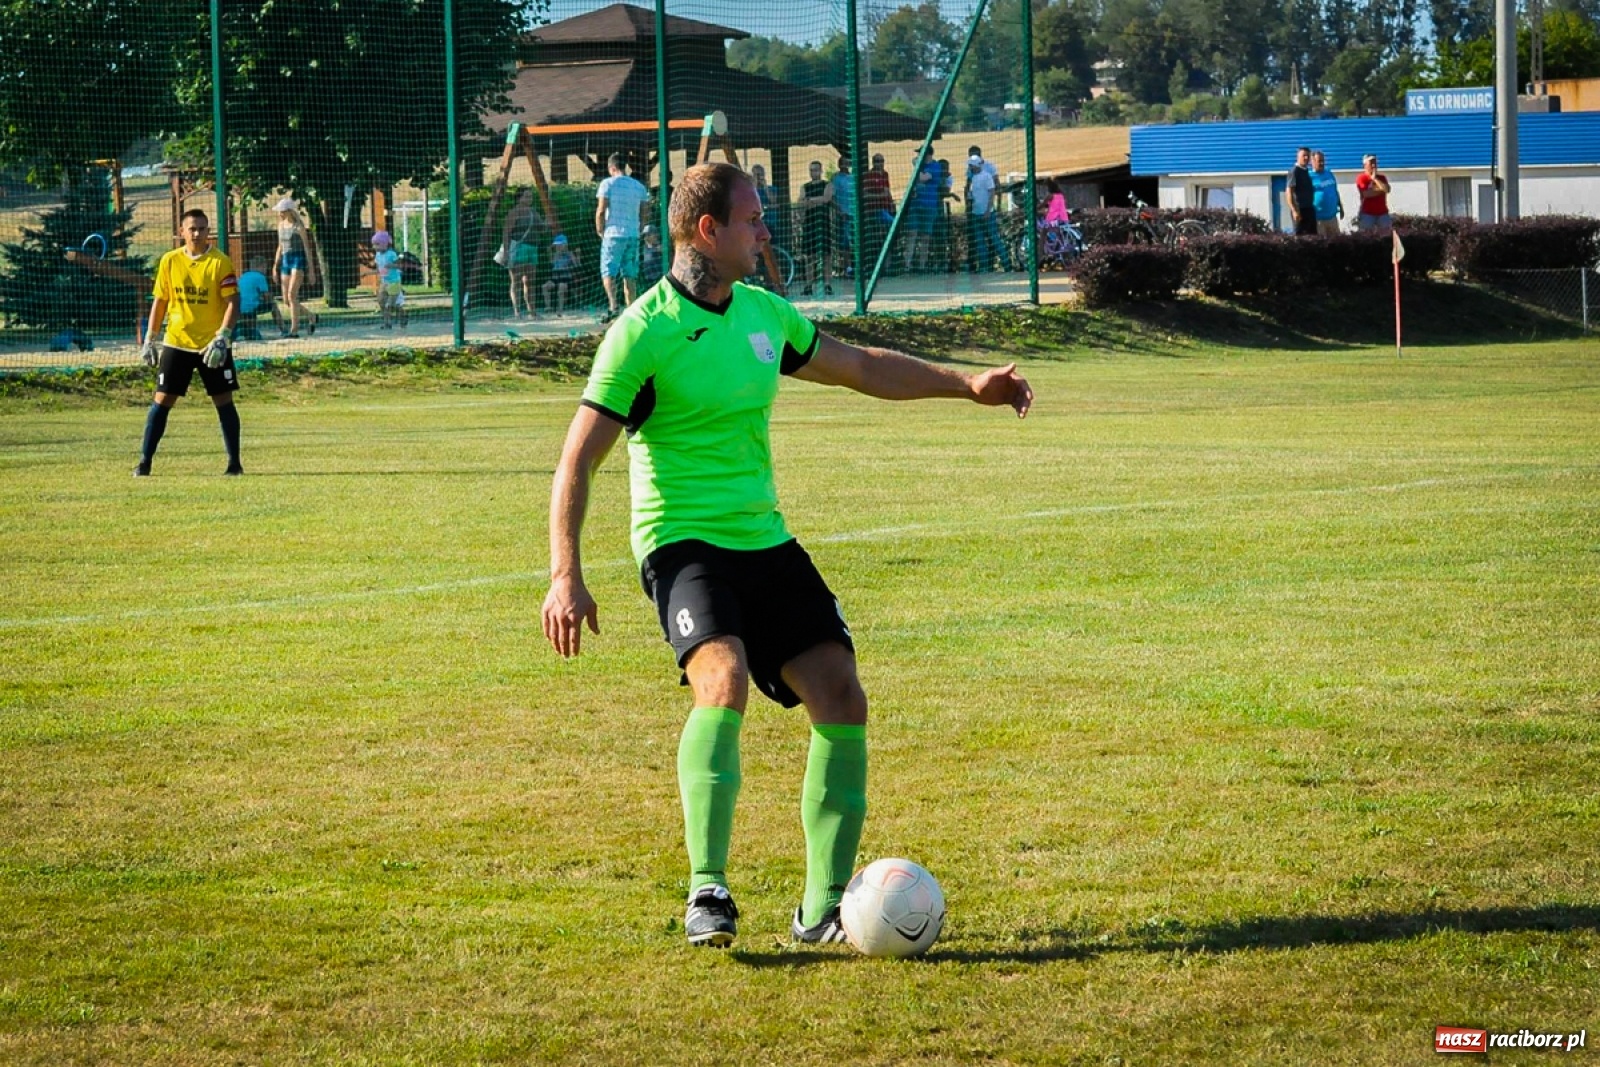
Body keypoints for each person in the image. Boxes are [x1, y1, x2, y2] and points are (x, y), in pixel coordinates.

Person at [539, 161, 1033, 949]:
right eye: (753, 218)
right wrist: (566, 573)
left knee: (842, 692)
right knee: (723, 676)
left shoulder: (764, 313)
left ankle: (824, 908)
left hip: (765, 539)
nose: (766, 230)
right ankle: (709, 886)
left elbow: (862, 367)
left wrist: (966, 383)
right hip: (682, 543)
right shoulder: (644, 332)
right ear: (709, 230)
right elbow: (578, 460)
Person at [133, 208, 243, 477]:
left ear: (208, 232)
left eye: (202, 229)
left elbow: (233, 302)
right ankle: (144, 463)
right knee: (161, 401)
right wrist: (150, 338)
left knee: (223, 401)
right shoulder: (169, 261)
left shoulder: (220, 263)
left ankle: (234, 464)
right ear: (181, 231)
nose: (197, 233)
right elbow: (160, 301)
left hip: (211, 346)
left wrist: (222, 338)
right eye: (191, 228)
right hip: (177, 342)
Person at [595, 153, 649, 320]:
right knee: (629, 273)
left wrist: (600, 230)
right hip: (632, 234)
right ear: (624, 166)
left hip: (613, 233)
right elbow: (645, 213)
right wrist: (639, 229)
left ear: (612, 168)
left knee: (608, 271)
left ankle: (613, 306)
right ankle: (631, 308)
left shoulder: (607, 184)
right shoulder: (639, 187)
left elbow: (601, 210)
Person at [271, 197, 318, 338]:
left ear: (289, 211)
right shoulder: (280, 226)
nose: (280, 214)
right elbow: (280, 246)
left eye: (282, 211)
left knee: (292, 295)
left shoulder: (299, 227)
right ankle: (311, 316)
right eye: (279, 211)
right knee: (286, 300)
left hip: (298, 259)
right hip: (286, 259)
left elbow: (307, 248)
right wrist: (275, 265)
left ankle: (294, 330)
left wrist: (311, 270)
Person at [502, 188, 549, 318]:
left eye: (530, 196)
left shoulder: (534, 212)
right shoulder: (514, 212)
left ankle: (531, 311)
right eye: (526, 196)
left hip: (533, 248)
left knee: (530, 281)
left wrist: (546, 223)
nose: (530, 199)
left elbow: (542, 229)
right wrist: (506, 252)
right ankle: (517, 311)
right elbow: (506, 232)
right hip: (519, 247)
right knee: (516, 280)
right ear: (519, 198)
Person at [798, 160, 834, 297]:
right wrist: (813, 201)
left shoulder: (827, 184)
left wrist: (810, 201)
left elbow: (827, 198)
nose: (814, 172)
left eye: (816, 170)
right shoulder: (805, 186)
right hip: (809, 224)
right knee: (809, 257)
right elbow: (801, 201)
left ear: (821, 170)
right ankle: (808, 285)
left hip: (823, 223)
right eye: (811, 170)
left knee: (826, 255)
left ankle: (827, 285)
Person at [966, 154, 1004, 273]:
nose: (970, 168)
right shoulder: (973, 178)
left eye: (971, 165)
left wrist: (988, 210)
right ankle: (984, 267)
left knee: (994, 239)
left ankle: (1007, 264)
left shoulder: (986, 176)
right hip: (976, 213)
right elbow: (972, 195)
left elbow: (992, 193)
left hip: (987, 213)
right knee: (980, 242)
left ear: (976, 166)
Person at [234, 260, 283, 340]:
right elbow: (267, 296)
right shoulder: (260, 277)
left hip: (239, 308)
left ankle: (244, 331)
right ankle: (283, 329)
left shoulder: (243, 276)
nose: (266, 271)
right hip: (252, 308)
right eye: (265, 268)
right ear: (261, 267)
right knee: (273, 305)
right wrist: (269, 299)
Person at [860, 153, 894, 267]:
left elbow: (887, 191)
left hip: (885, 208)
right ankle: (873, 264)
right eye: (877, 161)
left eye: (882, 161)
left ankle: (888, 264)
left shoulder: (885, 174)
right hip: (874, 210)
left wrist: (891, 202)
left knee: (889, 234)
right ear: (873, 162)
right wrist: (881, 196)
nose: (880, 163)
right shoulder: (869, 175)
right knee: (877, 236)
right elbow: (865, 194)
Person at [372, 230, 406, 329]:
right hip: (384, 282)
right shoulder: (378, 255)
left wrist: (392, 265)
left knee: (392, 305)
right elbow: (379, 268)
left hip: (394, 282)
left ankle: (403, 315)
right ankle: (387, 322)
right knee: (381, 301)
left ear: (384, 244)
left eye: (377, 244)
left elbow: (399, 265)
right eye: (374, 245)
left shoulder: (391, 254)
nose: (375, 247)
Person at [829, 155, 856, 278]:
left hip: (854, 214)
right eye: (843, 163)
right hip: (843, 215)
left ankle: (855, 266)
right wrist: (839, 211)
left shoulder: (853, 178)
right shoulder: (836, 179)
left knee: (854, 241)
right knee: (845, 242)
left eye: (847, 163)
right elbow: (832, 197)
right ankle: (847, 267)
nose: (846, 166)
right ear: (839, 165)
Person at [1355, 153, 1393, 234]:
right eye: (1371, 163)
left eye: (1375, 163)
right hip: (1367, 214)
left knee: (1386, 235)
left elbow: (1387, 189)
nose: (1373, 165)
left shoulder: (1382, 178)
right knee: (1365, 237)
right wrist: (1380, 190)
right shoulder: (1362, 178)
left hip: (1383, 213)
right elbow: (1366, 194)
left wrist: (1375, 179)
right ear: (1365, 165)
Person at [1309, 150, 1344, 236]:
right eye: (1319, 161)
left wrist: (1341, 207)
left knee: (1336, 243)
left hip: (1332, 217)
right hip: (1318, 219)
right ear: (1312, 162)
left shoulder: (1329, 174)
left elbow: (1335, 191)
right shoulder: (1308, 177)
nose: (1322, 163)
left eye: (1323, 161)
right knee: (1321, 245)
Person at [543, 235, 580, 314]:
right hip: (555, 278)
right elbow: (552, 263)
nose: (558, 247)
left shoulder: (570, 254)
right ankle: (548, 307)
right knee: (545, 286)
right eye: (557, 245)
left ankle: (560, 309)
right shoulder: (556, 254)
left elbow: (577, 265)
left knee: (561, 287)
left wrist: (577, 255)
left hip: (566, 279)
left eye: (560, 245)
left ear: (565, 245)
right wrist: (554, 253)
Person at [1287, 146, 1317, 236]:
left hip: (1309, 208)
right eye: (1304, 155)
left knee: (1312, 236)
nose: (1306, 158)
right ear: (1298, 157)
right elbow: (1289, 192)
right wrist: (1294, 210)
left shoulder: (1306, 171)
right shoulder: (1294, 171)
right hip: (1300, 210)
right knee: (1300, 237)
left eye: (1308, 156)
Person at [639, 224, 664, 288]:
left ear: (656, 235)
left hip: (658, 278)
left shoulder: (660, 247)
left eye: (649, 235)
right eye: (645, 236)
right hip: (647, 279)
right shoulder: (644, 247)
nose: (646, 238)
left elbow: (661, 249)